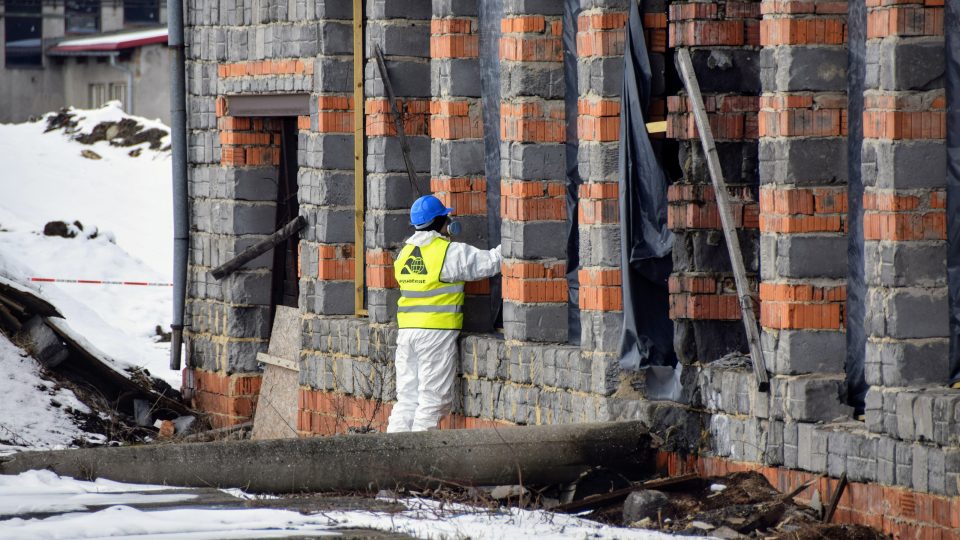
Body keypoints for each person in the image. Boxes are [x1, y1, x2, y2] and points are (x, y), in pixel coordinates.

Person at [386, 195, 502, 432]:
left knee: (407, 400)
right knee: (432, 402)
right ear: (442, 221)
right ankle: (417, 463)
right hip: (434, 334)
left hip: (407, 334)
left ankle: (390, 458)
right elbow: (490, 262)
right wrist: (513, 239)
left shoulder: (404, 254)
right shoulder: (448, 252)